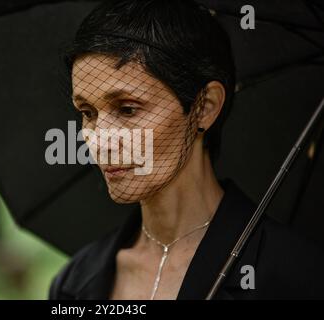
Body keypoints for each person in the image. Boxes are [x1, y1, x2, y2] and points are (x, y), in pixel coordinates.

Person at [49, 0, 324, 300]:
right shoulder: (74, 284)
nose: (98, 141)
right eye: (87, 112)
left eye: (127, 109)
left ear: (204, 107)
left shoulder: (293, 278)